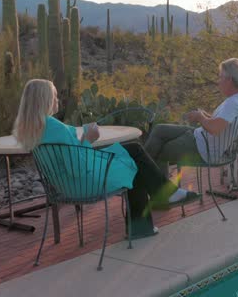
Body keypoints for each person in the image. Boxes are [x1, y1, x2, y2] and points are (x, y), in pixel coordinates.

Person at [12, 79, 199, 238]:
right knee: (133, 160)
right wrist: (88, 139)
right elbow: (77, 168)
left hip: (64, 185)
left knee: (132, 151)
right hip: (85, 183)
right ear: (44, 100)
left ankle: (151, 215)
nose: (57, 99)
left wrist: (83, 139)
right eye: (53, 95)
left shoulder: (33, 128)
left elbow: (69, 158)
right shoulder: (55, 127)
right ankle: (156, 205)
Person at [143, 58, 238, 172]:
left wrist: (200, 117)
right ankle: (143, 178)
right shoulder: (237, 100)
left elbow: (214, 129)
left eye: (221, 77)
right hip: (198, 136)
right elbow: (221, 124)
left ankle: (141, 181)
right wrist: (205, 116)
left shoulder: (233, 104)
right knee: (160, 129)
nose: (218, 81)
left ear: (229, 80)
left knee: (157, 149)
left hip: (203, 149)